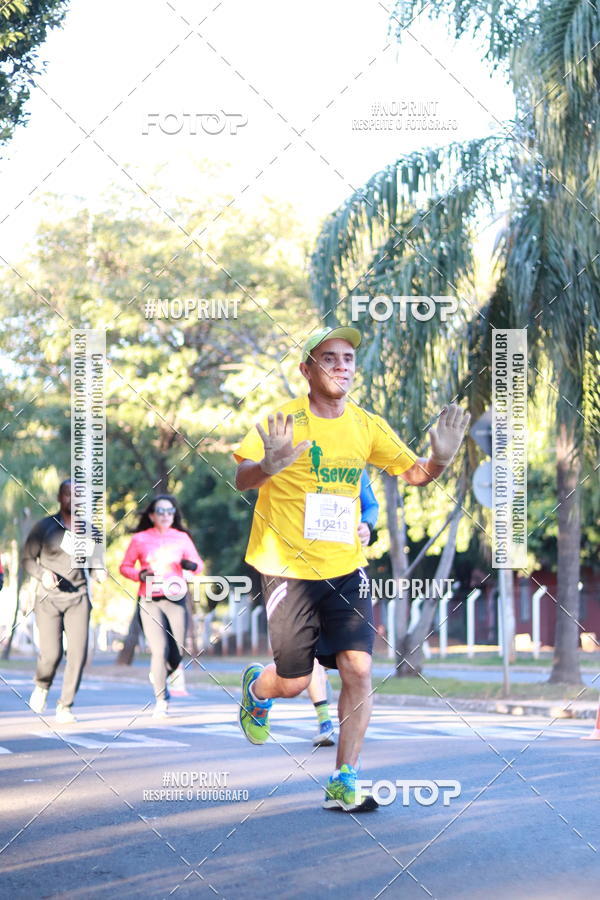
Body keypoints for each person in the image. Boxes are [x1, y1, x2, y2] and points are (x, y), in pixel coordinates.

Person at [234, 326, 470, 811]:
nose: (342, 365)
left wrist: (442, 459)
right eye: (329, 358)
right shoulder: (283, 421)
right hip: (287, 568)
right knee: (296, 681)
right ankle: (259, 687)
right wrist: (269, 467)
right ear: (306, 370)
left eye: (348, 358)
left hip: (345, 567)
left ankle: (345, 777)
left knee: (358, 670)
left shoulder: (366, 425)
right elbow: (241, 479)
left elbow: (416, 473)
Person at [23, 479, 105, 724]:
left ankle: (65, 705)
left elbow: (97, 564)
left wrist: (100, 571)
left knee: (77, 655)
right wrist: (42, 575)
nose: (74, 499)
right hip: (48, 600)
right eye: (69, 495)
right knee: (51, 654)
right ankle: (42, 684)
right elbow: (27, 559)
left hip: (78, 598)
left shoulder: (92, 531)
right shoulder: (44, 528)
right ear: (60, 498)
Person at [308, 469, 379, 747]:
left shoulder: (354, 463)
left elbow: (371, 504)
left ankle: (347, 754)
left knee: (356, 662)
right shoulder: (302, 458)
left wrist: (367, 525)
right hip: (305, 570)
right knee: (309, 656)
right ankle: (324, 719)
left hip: (348, 568)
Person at [119, 495, 203, 718]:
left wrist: (190, 566)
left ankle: (161, 673)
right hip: (150, 599)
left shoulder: (182, 537)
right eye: (161, 511)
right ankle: (161, 699)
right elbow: (125, 567)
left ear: (174, 515)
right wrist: (140, 574)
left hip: (175, 598)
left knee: (177, 653)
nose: (166, 515)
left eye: (170, 511)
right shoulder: (140, 539)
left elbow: (198, 565)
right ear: (152, 515)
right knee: (159, 650)